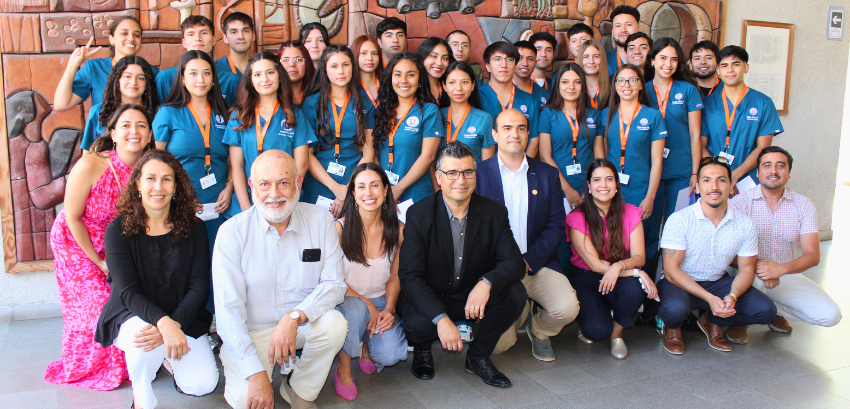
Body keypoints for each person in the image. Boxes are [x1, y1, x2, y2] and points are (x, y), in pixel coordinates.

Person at [213, 150, 348, 409]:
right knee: (245, 400)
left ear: (298, 183)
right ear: (252, 186)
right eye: (264, 184)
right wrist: (257, 378)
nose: (274, 194)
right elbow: (228, 316)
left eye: (283, 182)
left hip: (299, 325)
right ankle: (254, 369)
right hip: (251, 333)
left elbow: (335, 284)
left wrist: (294, 317)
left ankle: (299, 389)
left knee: (335, 324)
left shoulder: (321, 220)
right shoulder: (232, 233)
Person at [96, 150, 219, 409]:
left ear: (176, 187)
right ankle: (142, 400)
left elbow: (199, 285)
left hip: (182, 315)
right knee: (141, 342)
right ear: (138, 184)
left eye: (166, 179)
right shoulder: (118, 231)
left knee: (202, 384)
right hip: (134, 314)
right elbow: (128, 292)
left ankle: (168, 359)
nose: (158, 187)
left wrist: (176, 323)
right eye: (150, 178)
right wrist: (165, 324)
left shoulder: (194, 227)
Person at [399, 141, 526, 387]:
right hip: (433, 295)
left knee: (515, 293)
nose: (461, 180)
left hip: (470, 294)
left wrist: (486, 283)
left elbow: (515, 262)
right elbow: (410, 276)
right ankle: (423, 348)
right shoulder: (419, 214)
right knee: (417, 325)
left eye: (468, 172)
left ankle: (477, 357)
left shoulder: (494, 213)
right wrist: (441, 319)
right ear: (438, 177)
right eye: (452, 173)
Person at [45, 104, 153, 390]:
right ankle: (92, 366)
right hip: (76, 243)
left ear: (149, 135)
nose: (134, 131)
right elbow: (72, 217)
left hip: (114, 246)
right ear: (113, 134)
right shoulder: (92, 164)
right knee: (97, 303)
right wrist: (98, 261)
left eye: (141, 125)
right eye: (126, 125)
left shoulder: (149, 169)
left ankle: (128, 363)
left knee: (124, 301)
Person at [477, 109, 579, 362]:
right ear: (494, 134)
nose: (515, 134)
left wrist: (528, 261)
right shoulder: (477, 174)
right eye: (507, 128)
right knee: (498, 346)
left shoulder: (547, 174)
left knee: (567, 309)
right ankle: (520, 306)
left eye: (521, 128)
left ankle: (539, 330)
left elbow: (555, 225)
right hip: (498, 269)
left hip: (536, 263)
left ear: (528, 134)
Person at [658, 156, 777, 354]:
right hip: (680, 282)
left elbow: (747, 270)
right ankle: (673, 327)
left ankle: (712, 321)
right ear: (697, 187)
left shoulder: (745, 224)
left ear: (731, 187)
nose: (714, 186)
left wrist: (733, 295)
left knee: (765, 310)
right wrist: (709, 298)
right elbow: (671, 271)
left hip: (717, 282)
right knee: (674, 310)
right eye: (707, 180)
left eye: (721, 180)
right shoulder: (680, 220)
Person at [726, 146, 841, 344]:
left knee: (831, 315)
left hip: (785, 273)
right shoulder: (739, 204)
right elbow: (727, 252)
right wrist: (761, 267)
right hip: (746, 273)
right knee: (757, 281)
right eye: (767, 165)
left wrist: (780, 269)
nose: (773, 171)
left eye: (780, 166)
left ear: (789, 173)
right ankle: (739, 319)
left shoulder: (803, 205)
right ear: (758, 172)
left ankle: (771, 310)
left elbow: (812, 255)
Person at [332, 163, 408, 401]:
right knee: (356, 311)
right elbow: (333, 280)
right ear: (353, 193)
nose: (368, 193)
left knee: (391, 355)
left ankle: (366, 345)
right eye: (361, 186)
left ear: (385, 190)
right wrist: (367, 305)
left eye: (375, 185)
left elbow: (395, 277)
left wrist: (389, 309)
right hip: (346, 300)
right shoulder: (339, 229)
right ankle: (344, 367)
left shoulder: (398, 231)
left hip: (381, 299)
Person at [567, 159, 655, 359]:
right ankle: (594, 317)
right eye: (597, 180)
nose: (603, 185)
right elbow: (596, 266)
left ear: (616, 184)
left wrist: (619, 267)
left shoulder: (631, 212)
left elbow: (639, 257)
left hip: (619, 275)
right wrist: (636, 272)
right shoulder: (577, 217)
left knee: (635, 288)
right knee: (597, 331)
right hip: (586, 278)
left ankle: (616, 334)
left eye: (609, 179)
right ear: (589, 186)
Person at [153, 50, 232, 273]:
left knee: (218, 267)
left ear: (213, 78)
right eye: (194, 73)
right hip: (181, 204)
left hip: (219, 205)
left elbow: (233, 159)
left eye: (206, 73)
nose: (201, 79)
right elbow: (156, 162)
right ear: (183, 78)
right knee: (186, 267)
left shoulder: (223, 114)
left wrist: (229, 188)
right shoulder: (168, 113)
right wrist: (180, 195)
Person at [223, 52, 313, 219]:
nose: (264, 79)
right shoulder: (239, 116)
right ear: (250, 80)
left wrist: (286, 198)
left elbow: (302, 163)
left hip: (285, 199)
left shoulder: (295, 115)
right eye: (257, 74)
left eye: (270, 72)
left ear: (279, 76)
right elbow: (237, 166)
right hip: (248, 199)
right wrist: (247, 210)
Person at [602, 64, 667, 285]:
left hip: (641, 189)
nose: (626, 85)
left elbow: (657, 161)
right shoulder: (607, 115)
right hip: (612, 191)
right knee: (611, 239)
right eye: (621, 80)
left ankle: (643, 288)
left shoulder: (653, 116)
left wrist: (650, 197)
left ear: (640, 85)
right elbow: (602, 155)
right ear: (615, 86)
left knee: (643, 241)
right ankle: (614, 284)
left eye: (632, 80)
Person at [301, 45, 376, 214]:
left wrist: (349, 189)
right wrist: (335, 188)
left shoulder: (365, 103)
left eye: (345, 65)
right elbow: (307, 154)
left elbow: (369, 153)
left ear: (353, 67)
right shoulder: (311, 103)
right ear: (325, 70)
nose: (341, 71)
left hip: (355, 181)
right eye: (334, 66)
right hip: (319, 182)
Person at [701, 45, 784, 187]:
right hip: (715, 181)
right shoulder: (707, 103)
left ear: (746, 67)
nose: (730, 70)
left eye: (736, 64)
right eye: (724, 66)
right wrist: (719, 174)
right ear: (718, 71)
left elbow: (763, 147)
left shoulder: (763, 103)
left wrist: (736, 175)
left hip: (749, 180)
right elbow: (700, 144)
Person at [646, 38, 704, 223]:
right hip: (650, 169)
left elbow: (695, 134)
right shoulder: (642, 90)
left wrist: (695, 172)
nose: (668, 64)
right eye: (663, 58)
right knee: (649, 224)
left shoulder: (688, 90)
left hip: (681, 170)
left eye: (674, 59)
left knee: (678, 223)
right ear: (652, 60)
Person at [373, 52, 442, 203]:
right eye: (398, 75)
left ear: (419, 79)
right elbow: (375, 153)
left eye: (410, 75)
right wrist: (384, 187)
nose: (403, 80)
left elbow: (428, 156)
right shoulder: (382, 110)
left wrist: (398, 189)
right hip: (384, 193)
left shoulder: (429, 111)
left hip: (416, 194)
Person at [54, 16, 158, 111]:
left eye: (136, 35)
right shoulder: (95, 68)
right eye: (124, 33)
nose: (131, 38)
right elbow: (61, 105)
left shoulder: (152, 72)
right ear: (111, 39)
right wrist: (73, 65)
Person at [539, 63, 604, 209]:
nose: (571, 87)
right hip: (558, 187)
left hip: (589, 188)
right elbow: (544, 156)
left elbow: (599, 156)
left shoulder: (594, 114)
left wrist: (592, 186)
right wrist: (568, 190)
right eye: (565, 82)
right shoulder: (548, 113)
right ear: (558, 85)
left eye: (577, 82)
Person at [155, 16, 240, 106]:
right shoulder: (165, 78)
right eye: (191, 34)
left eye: (204, 33)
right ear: (184, 42)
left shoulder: (231, 80)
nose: (198, 38)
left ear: (214, 40)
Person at [80, 55, 158, 151]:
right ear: (117, 81)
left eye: (140, 78)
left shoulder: (158, 113)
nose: (133, 82)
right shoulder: (99, 112)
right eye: (127, 76)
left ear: (147, 84)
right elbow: (87, 153)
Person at [479, 41, 540, 157]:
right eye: (497, 59)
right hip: (486, 165)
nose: (504, 65)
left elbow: (533, 140)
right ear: (488, 66)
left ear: (515, 66)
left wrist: (522, 166)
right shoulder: (477, 97)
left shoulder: (529, 100)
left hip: (520, 164)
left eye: (509, 60)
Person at [440, 61, 495, 162]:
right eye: (452, 82)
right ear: (444, 86)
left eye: (464, 82)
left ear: (473, 85)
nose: (458, 88)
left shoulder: (484, 119)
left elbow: (487, 165)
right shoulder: (437, 116)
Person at [277, 40, 316, 107]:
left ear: (307, 63)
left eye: (298, 60)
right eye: (286, 60)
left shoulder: (318, 96)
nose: (292, 64)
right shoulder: (273, 97)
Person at [416, 37, 455, 102]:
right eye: (434, 56)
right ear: (422, 57)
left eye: (445, 58)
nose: (439, 63)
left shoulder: (452, 87)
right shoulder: (414, 87)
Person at [217, 12, 255, 76]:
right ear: (225, 38)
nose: (241, 37)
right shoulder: (216, 70)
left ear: (253, 36)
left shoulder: (261, 68)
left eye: (246, 31)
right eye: (234, 32)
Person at [606, 5, 640, 76]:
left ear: (638, 29)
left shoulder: (650, 58)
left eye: (629, 24)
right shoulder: (604, 59)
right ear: (612, 32)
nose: (623, 30)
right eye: (618, 26)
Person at [513, 40, 549, 106]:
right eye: (520, 58)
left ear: (535, 63)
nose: (525, 64)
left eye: (530, 59)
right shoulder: (502, 91)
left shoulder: (545, 94)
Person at [578, 39, 610, 110]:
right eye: (586, 56)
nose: (591, 61)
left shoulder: (612, 87)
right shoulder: (574, 88)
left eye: (596, 56)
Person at [352, 35, 383, 107]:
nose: (370, 58)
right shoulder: (350, 87)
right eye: (364, 53)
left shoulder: (387, 84)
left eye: (374, 53)